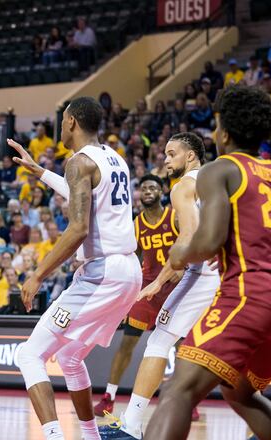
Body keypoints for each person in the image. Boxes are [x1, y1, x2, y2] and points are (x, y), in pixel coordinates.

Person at [145, 85, 271, 439]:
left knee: (179, 389)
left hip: (250, 293)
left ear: (223, 132)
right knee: (240, 392)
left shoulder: (219, 169)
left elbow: (207, 242)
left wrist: (178, 254)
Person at [7, 97, 141, 440]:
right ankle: (90, 435)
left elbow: (78, 228)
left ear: (70, 122)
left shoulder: (79, 161)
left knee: (29, 355)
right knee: (68, 356)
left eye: (61, 121)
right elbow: (87, 195)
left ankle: (54, 436)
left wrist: (38, 274)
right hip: (128, 272)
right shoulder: (115, 159)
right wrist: (41, 173)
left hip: (104, 273)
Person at [99, 132, 220, 439]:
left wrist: (159, 282)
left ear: (190, 155)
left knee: (158, 341)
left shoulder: (183, 187)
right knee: (231, 352)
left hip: (203, 273)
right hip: (233, 273)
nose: (165, 159)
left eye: (171, 153)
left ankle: (132, 426)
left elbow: (188, 237)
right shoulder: (217, 178)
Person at [93, 174, 183, 417]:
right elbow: (133, 257)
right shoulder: (135, 224)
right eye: (143, 188)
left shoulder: (174, 216)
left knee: (183, 347)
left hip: (177, 287)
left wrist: (183, 268)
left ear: (162, 191)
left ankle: (183, 401)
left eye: (152, 187)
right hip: (147, 289)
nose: (147, 191)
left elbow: (190, 243)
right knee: (127, 343)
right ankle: (109, 397)